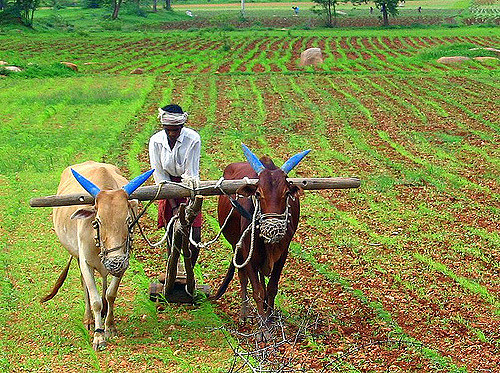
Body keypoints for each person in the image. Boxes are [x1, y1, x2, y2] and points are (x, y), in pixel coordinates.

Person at [149, 104, 202, 266]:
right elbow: (160, 175)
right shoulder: (156, 141)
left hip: (188, 187)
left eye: (176, 130)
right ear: (164, 127)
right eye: (168, 130)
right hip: (167, 188)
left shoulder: (193, 139)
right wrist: (173, 206)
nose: (172, 133)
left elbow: (190, 174)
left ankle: (190, 270)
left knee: (195, 235)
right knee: (172, 232)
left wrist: (188, 207)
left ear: (182, 126)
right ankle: (172, 268)